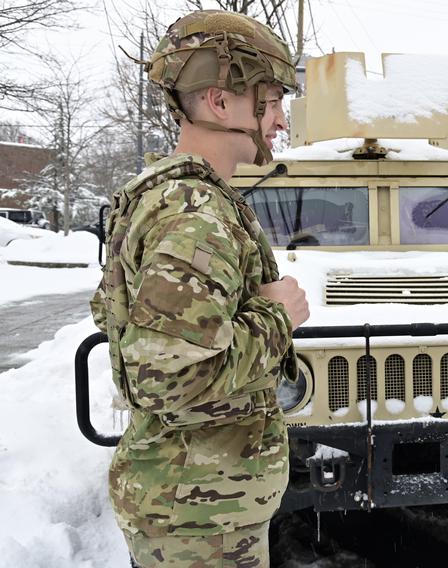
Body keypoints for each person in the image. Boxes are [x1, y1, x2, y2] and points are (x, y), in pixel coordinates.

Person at [90, 10, 308, 567]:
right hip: (196, 519)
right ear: (220, 101)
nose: (282, 120)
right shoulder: (195, 216)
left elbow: (123, 322)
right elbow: (165, 376)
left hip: (193, 506)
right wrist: (279, 315)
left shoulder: (175, 199)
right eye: (274, 99)